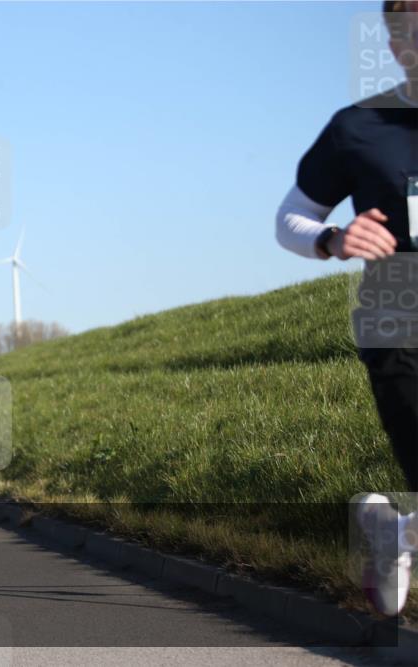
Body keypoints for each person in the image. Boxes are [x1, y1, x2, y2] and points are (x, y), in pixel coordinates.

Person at [275, 0, 417, 616]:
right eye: (405, 34)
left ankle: (395, 535)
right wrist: (333, 239)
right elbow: (290, 218)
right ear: (392, 46)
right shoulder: (357, 127)